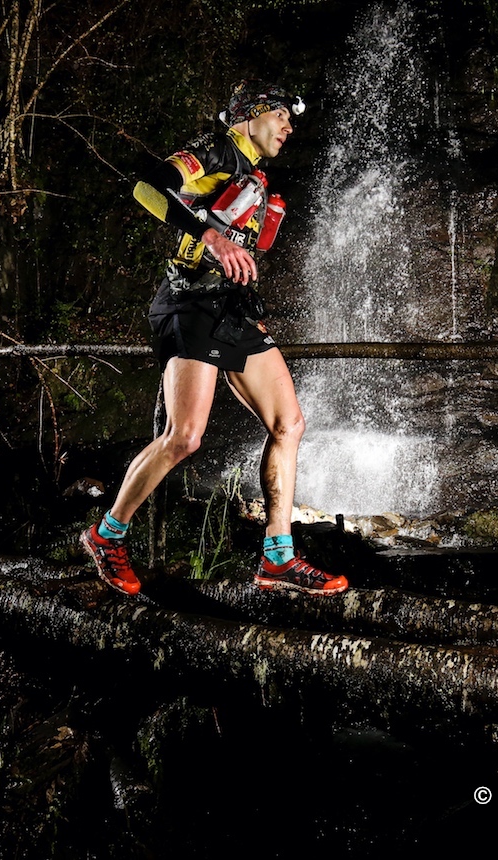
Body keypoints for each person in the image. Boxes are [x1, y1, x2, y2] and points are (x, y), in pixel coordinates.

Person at [80, 79, 349, 598]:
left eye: (291, 121)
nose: (289, 127)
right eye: (280, 116)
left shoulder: (257, 178)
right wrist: (210, 234)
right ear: (251, 113)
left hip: (233, 310)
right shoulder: (216, 150)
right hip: (189, 303)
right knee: (184, 437)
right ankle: (106, 534)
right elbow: (147, 187)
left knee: (289, 423)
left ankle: (277, 558)